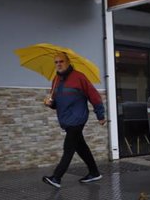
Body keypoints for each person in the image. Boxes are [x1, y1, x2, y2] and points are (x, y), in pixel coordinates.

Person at [42, 52, 106, 188]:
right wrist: (50, 103)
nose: (59, 64)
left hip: (77, 119)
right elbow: (56, 103)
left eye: (61, 61)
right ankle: (94, 172)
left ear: (68, 62)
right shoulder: (56, 80)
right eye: (56, 62)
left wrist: (100, 115)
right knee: (80, 146)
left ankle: (56, 177)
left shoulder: (79, 77)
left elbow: (94, 96)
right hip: (65, 120)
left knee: (68, 148)